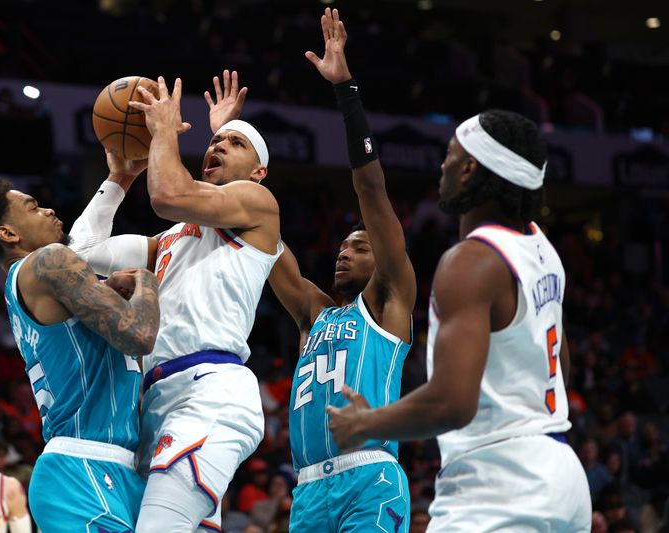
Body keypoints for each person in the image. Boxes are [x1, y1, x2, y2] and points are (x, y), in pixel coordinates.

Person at [328, 108, 592, 530]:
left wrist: (366, 424)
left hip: (499, 482)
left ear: (469, 169)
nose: (441, 165)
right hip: (561, 474)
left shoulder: (471, 261)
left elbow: (453, 402)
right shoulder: (542, 250)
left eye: (450, 154)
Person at [74, 68, 282, 532]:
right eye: (214, 141)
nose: (217, 146)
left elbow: (170, 193)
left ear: (259, 173)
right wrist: (119, 180)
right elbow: (80, 257)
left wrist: (164, 130)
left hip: (211, 391)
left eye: (235, 144)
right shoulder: (167, 240)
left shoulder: (259, 206)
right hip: (153, 403)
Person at [267, 8, 415, 532]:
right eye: (342, 247)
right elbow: (260, 239)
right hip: (308, 489)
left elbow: (370, 190)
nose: (343, 253)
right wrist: (235, 168)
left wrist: (345, 90)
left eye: (359, 246)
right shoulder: (315, 313)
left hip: (368, 478)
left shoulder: (389, 301)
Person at [0, 178, 160, 531]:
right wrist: (148, 281)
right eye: (33, 207)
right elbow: (138, 335)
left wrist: (118, 178)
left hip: (109, 468)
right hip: (81, 468)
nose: (48, 210)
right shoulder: (49, 260)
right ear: (8, 233)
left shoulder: (29, 282)